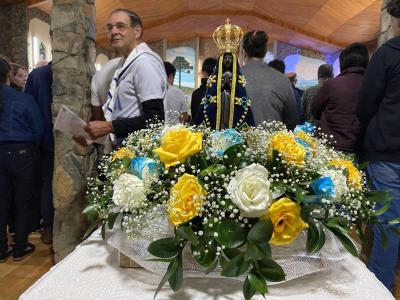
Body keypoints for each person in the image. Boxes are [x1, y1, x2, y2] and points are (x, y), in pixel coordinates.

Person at [357, 0, 400, 292]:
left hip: (387, 151)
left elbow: (365, 105)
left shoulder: (387, 55)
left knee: (388, 224)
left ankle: (379, 290)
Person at [85, 9, 166, 145]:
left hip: (140, 152)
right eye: (110, 28)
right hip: (128, 146)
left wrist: (108, 126)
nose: (114, 32)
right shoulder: (127, 62)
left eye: (121, 26)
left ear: (137, 31)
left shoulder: (144, 62)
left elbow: (155, 118)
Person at [0, 57, 44, 262]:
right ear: (9, 75)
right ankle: (19, 247)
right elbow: (38, 128)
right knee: (23, 199)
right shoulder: (22, 99)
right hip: (21, 152)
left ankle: (1, 248)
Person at [194, 20, 255, 130]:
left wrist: (232, 84)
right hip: (219, 106)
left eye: (229, 58)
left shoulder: (238, 77)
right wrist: (221, 83)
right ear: (221, 61)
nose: (227, 60)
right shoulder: (215, 77)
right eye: (225, 58)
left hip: (232, 107)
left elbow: (241, 95)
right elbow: (210, 96)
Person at [312, 43, 369, 153]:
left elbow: (315, 111)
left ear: (343, 62)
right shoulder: (372, 85)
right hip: (359, 147)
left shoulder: (332, 84)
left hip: (330, 145)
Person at [242, 31, 297, 129]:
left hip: (236, 143)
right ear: (265, 50)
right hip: (272, 141)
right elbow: (292, 119)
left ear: (244, 52)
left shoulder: (232, 77)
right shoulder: (282, 79)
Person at [25, 62, 54, 244]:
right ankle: (49, 226)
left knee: (45, 182)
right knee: (46, 183)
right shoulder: (39, 75)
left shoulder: (36, 75)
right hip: (49, 138)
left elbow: (29, 105)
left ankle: (47, 227)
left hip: (41, 138)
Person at [190, 57, 217, 124]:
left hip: (198, 132)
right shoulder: (221, 92)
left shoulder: (196, 93)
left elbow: (194, 117)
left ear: (203, 72)